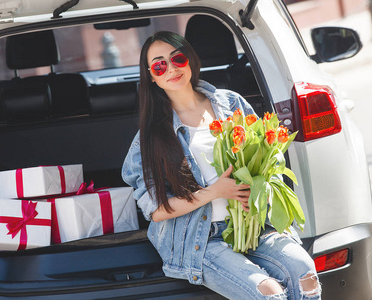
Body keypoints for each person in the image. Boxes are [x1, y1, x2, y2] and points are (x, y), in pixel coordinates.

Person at [122, 31, 321, 299]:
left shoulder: (231, 104)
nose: (171, 68)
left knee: (305, 273)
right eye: (160, 65)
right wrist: (214, 191)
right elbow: (156, 210)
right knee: (268, 292)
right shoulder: (150, 137)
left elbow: (265, 163)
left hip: (253, 227)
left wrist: (258, 194)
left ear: (190, 60)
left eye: (177, 58)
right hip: (200, 239)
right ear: (152, 76)